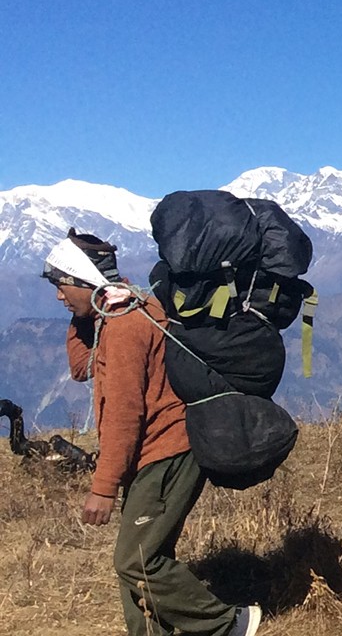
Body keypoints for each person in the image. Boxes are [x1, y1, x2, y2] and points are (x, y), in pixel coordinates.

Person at [46, 230, 262, 636]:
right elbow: (81, 369)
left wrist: (104, 486)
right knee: (144, 556)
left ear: (82, 279)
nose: (59, 296)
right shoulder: (117, 310)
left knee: (135, 560)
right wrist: (83, 313)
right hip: (152, 454)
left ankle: (228, 623)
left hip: (166, 452)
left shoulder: (126, 325)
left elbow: (126, 414)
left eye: (62, 286)